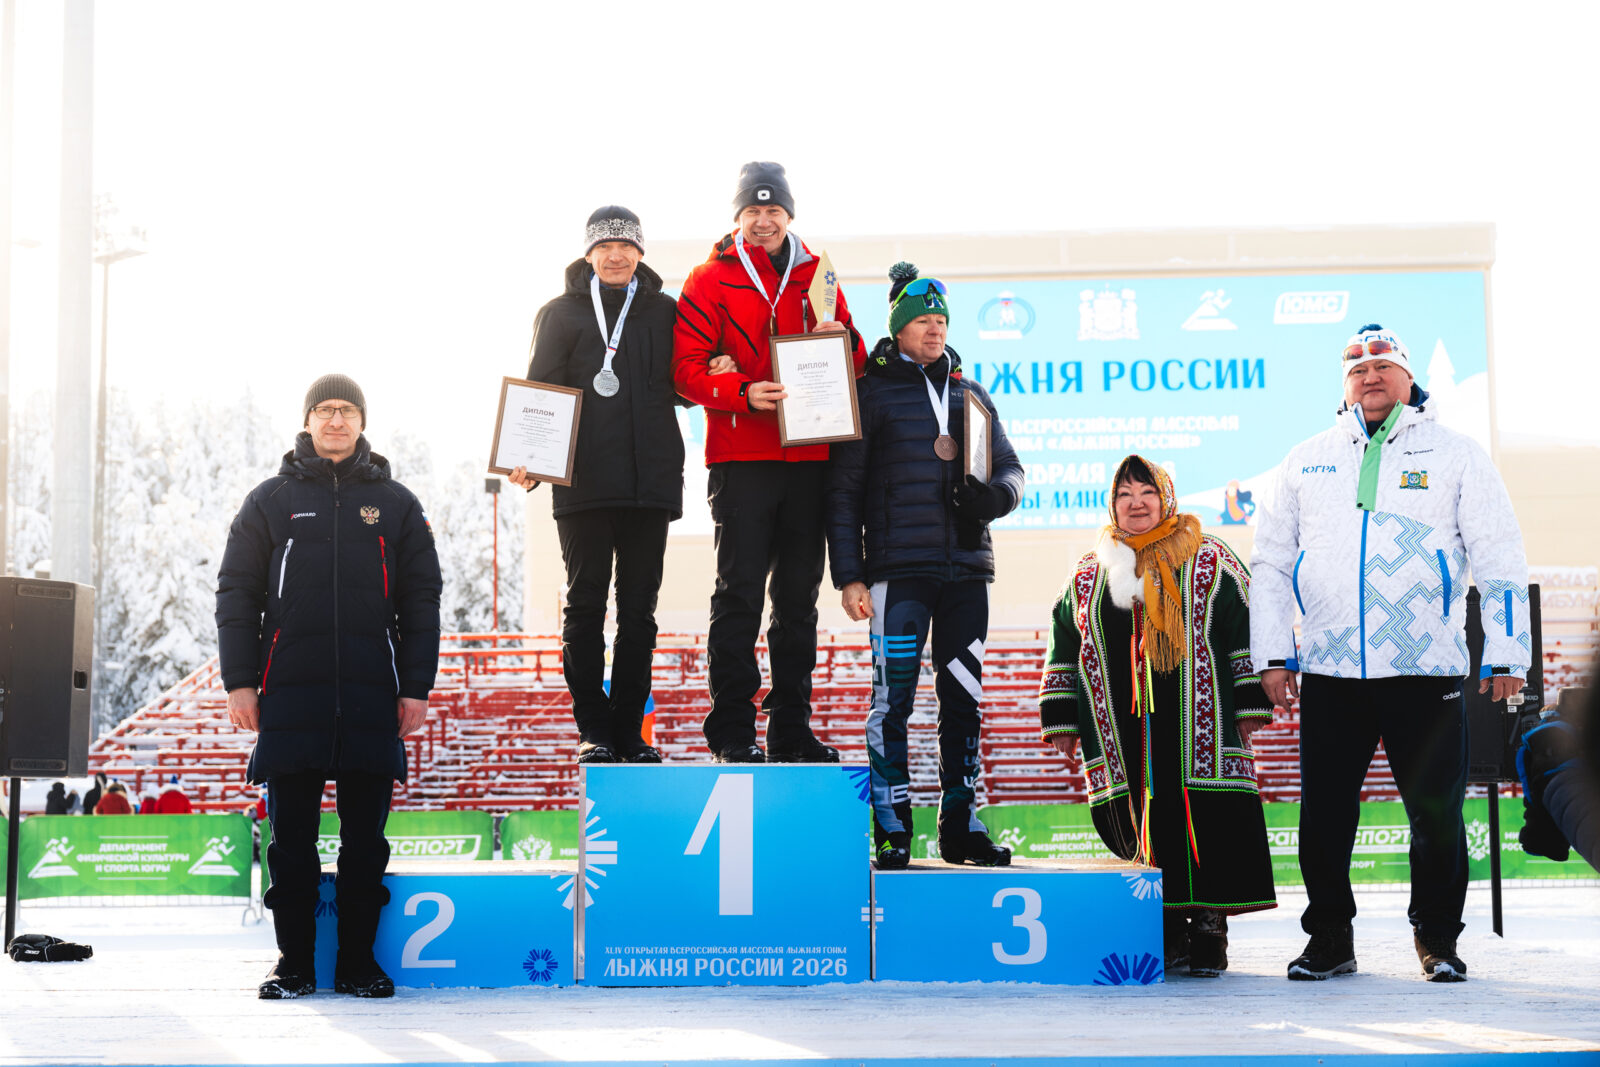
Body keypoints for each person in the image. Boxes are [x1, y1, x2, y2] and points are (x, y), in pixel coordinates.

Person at [1251, 324, 1531, 983]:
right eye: (1357, 369)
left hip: (1425, 668)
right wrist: (1274, 654)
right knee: (1325, 816)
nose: (1369, 376)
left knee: (1435, 814)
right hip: (1331, 668)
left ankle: (1437, 938)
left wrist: (1507, 651)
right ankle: (1330, 939)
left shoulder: (1456, 454)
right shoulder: (1307, 459)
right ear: (1344, 385)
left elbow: (1498, 555)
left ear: (1408, 378)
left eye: (1382, 365)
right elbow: (1270, 563)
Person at [216, 373, 442, 1000]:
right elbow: (236, 595)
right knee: (291, 844)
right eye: (324, 410)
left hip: (373, 694)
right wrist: (240, 681)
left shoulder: (396, 504)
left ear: (362, 421)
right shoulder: (269, 500)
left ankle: (357, 964)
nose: (336, 420)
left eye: (347, 410)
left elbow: (422, 601)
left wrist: (416, 686)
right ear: (308, 421)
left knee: (365, 845)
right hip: (290, 695)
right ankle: (293, 965)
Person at [1039, 456, 1276, 977]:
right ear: (1112, 505)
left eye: (1147, 492)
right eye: (1125, 494)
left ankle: (1210, 928)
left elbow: (1246, 627)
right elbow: (1065, 641)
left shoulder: (1209, 557)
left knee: (1208, 820)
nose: (1136, 503)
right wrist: (1060, 715)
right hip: (1121, 731)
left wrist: (1250, 700)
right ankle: (1164, 926)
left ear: (1165, 498)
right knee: (1139, 822)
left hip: (1201, 724)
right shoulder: (1090, 571)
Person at [825, 263, 1025, 868]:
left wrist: (995, 499)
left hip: (967, 570)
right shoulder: (871, 393)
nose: (934, 330)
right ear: (899, 329)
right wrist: (850, 575)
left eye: (941, 321)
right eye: (922, 321)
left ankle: (961, 827)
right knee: (893, 703)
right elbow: (843, 493)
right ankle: (892, 828)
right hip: (898, 572)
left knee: (964, 700)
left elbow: (1011, 470)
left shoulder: (972, 395)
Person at [672, 161, 867, 762]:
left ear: (788, 215)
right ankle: (732, 731)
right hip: (742, 458)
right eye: (752, 211)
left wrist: (840, 338)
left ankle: (790, 729)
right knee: (738, 595)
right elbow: (684, 371)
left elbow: (857, 361)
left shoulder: (819, 273)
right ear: (738, 217)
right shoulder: (708, 278)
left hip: (810, 456)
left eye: (773, 210)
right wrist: (741, 391)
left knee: (798, 601)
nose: (763, 221)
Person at [509, 206, 683, 764]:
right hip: (583, 484)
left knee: (639, 613)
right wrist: (528, 461)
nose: (615, 255)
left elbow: (685, 383)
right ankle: (593, 729)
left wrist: (718, 369)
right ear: (588, 254)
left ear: (640, 253)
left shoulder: (666, 312)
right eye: (604, 246)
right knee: (585, 606)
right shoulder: (559, 313)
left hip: (650, 483)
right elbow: (540, 393)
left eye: (626, 246)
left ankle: (630, 732)